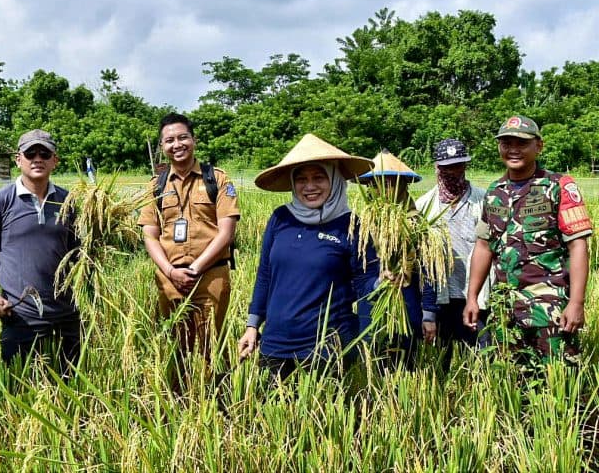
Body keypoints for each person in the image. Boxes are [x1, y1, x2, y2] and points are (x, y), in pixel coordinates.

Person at [237, 134, 378, 383]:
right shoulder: (281, 218)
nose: (309, 186)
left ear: (334, 180)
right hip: (276, 341)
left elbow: (364, 283)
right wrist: (252, 325)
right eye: (301, 179)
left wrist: (382, 283)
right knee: (273, 415)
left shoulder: (353, 226)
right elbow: (265, 275)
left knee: (324, 416)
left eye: (318, 177)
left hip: (327, 346)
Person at [464, 116, 592, 364]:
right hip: (505, 305)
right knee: (511, 379)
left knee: (557, 377)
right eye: (506, 143)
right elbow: (483, 246)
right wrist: (472, 297)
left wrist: (576, 302)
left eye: (521, 143)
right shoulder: (494, 192)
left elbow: (578, 246)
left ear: (538, 146)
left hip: (549, 305)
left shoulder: (558, 186)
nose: (513, 149)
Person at [138, 113, 239, 385]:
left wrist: (195, 268)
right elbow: (149, 234)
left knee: (211, 346)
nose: (177, 144)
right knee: (176, 347)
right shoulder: (155, 186)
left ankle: (215, 400)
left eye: (183, 137)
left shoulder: (216, 179)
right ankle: (179, 400)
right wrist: (170, 271)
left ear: (193, 140)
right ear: (162, 147)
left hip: (210, 276)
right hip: (170, 280)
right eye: (169, 140)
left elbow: (226, 232)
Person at [0, 129, 82, 376]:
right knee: (22, 391)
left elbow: (78, 253)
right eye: (30, 153)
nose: (37, 158)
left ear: (55, 160)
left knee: (72, 387)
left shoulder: (68, 201)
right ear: (18, 159)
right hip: (22, 316)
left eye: (45, 153)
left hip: (67, 316)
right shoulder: (0, 201)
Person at [416, 139, 490, 353]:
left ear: (465, 166)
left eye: (457, 165)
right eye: (447, 167)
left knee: (481, 354)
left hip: (476, 294)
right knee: (442, 356)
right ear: (437, 167)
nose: (452, 171)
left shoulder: (483, 200)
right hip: (441, 294)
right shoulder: (423, 206)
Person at [357, 150, 426, 366]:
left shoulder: (416, 223)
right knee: (372, 356)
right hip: (372, 301)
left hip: (407, 301)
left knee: (407, 360)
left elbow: (430, 271)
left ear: (403, 185)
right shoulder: (361, 223)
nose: (383, 190)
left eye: (390, 183)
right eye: (376, 184)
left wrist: (430, 312)